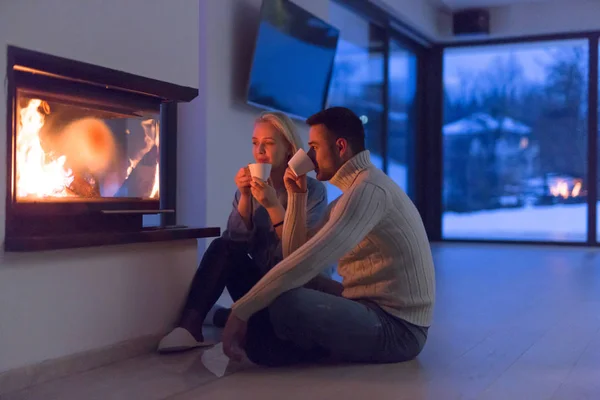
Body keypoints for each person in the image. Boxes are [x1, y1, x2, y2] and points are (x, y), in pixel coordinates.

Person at [221, 107, 436, 366]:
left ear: (341, 147)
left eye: (314, 147)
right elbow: (295, 254)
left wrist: (240, 311)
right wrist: (297, 196)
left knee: (289, 302)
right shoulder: (352, 192)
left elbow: (307, 262)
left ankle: (274, 342)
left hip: (398, 330)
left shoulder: (367, 191)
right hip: (365, 304)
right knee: (292, 286)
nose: (308, 156)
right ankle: (268, 338)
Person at [158, 111, 328, 353]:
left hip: (294, 287)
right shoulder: (250, 187)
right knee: (222, 245)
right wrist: (246, 198)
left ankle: (224, 317)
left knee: (261, 344)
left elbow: (297, 258)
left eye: (268, 144)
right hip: (258, 283)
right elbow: (235, 244)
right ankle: (190, 326)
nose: (259, 151)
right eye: (255, 143)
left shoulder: (312, 191)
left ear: (289, 148)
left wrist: (273, 206)